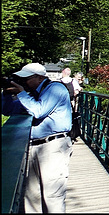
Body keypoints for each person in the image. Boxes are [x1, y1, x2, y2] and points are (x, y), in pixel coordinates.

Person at [2, 62, 73, 213]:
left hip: (54, 146)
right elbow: (8, 110)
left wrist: (21, 93)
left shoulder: (55, 89)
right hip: (35, 146)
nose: (24, 82)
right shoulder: (33, 94)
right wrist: (6, 94)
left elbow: (38, 111)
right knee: (32, 196)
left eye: (26, 79)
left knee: (52, 196)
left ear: (39, 78)